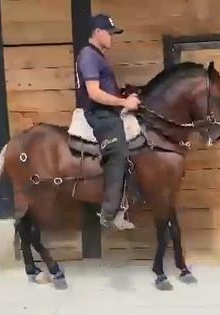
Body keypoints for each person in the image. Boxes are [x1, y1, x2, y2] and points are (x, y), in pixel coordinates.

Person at [75, 14, 141, 229]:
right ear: (97, 32)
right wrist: (124, 102)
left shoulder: (97, 56)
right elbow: (94, 93)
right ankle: (109, 214)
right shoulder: (88, 56)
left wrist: (125, 95)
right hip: (99, 115)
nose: (112, 37)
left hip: (107, 111)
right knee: (118, 152)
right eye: (110, 32)